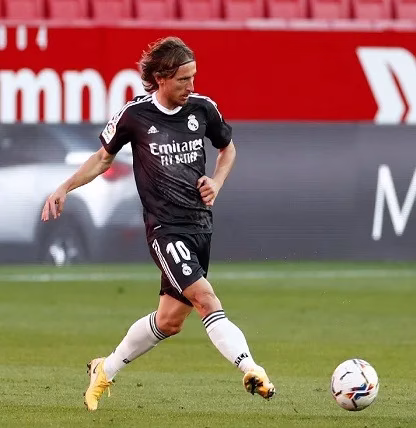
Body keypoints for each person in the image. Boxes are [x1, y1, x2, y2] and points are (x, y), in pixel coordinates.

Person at [41, 36, 275, 411]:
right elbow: (102, 159)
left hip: (200, 227)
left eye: (194, 77)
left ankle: (104, 369)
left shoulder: (203, 109)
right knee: (206, 299)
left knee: (169, 321)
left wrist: (216, 182)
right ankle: (251, 369)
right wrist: (64, 187)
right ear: (161, 78)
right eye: (183, 79)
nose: (191, 85)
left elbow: (227, 149)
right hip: (165, 230)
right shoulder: (135, 116)